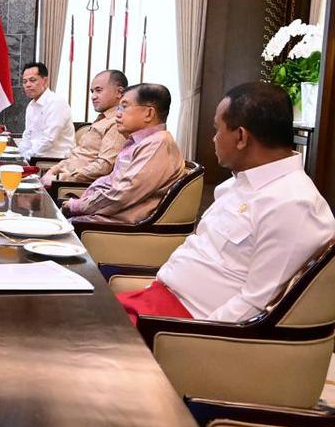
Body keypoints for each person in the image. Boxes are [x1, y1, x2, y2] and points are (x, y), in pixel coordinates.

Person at [117, 82, 335, 324]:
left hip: (180, 325)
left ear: (241, 136)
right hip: (157, 299)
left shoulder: (293, 205)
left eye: (217, 129)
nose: (213, 139)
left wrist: (185, 337)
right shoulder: (238, 183)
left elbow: (253, 305)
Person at [64, 83, 185, 225]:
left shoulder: (158, 144)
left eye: (124, 107)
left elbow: (122, 194)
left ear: (149, 113)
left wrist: (77, 206)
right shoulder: (139, 142)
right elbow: (114, 183)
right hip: (104, 215)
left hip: (118, 225)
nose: (118, 114)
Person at [42, 70, 128, 186]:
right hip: (61, 179)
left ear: (119, 92)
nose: (93, 96)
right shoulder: (102, 119)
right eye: (92, 92)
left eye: (98, 90)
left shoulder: (117, 123)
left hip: (73, 187)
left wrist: (61, 178)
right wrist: (53, 170)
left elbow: (103, 167)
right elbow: (78, 155)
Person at [15, 62, 75, 161]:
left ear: (45, 81)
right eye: (25, 82)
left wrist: (27, 156)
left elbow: (49, 140)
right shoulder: (31, 106)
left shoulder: (56, 102)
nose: (28, 85)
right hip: (35, 158)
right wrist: (19, 154)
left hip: (55, 161)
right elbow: (27, 136)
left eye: (32, 80)